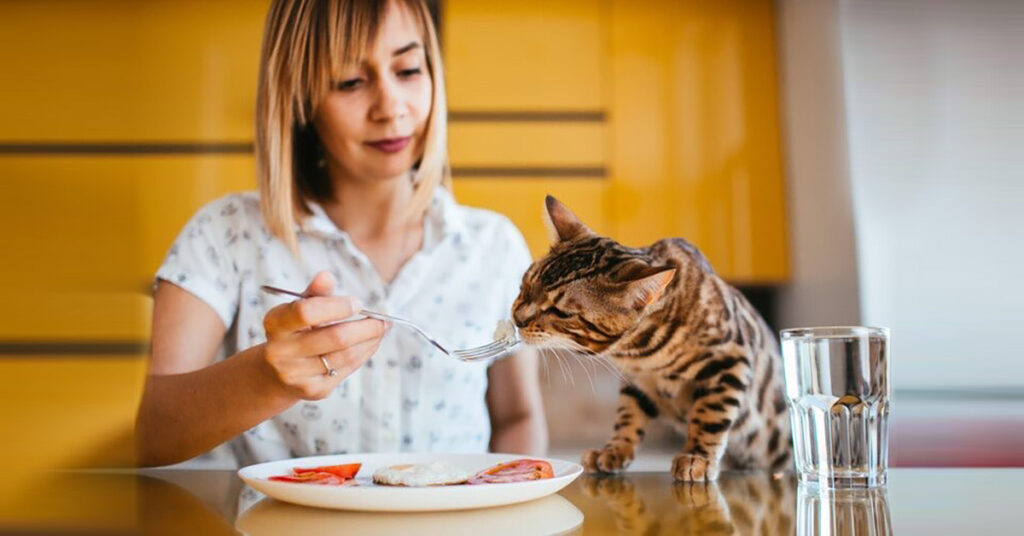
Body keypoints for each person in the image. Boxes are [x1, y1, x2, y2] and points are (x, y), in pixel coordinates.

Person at [135, 0, 547, 468]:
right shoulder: (224, 235)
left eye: (409, 70)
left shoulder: (494, 246)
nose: (391, 108)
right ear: (299, 98)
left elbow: (517, 416)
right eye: (351, 81)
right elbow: (145, 432)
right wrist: (270, 379)